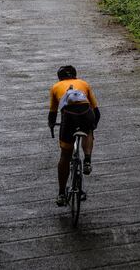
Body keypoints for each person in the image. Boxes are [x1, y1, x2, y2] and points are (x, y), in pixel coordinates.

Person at [48, 65, 100, 207]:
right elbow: (96, 110)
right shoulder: (84, 84)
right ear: (75, 76)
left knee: (65, 156)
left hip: (69, 116)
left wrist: (52, 125)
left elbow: (52, 114)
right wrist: (93, 125)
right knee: (88, 131)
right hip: (85, 112)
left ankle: (61, 194)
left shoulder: (56, 87)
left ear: (59, 78)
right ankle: (87, 160)